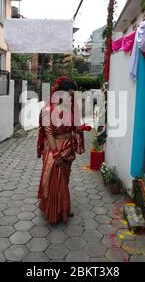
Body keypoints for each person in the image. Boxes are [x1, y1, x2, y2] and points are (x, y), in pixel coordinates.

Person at [37, 76, 92, 224]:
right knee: (52, 180)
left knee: (64, 180)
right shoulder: (48, 110)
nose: (70, 98)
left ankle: (64, 208)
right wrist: (56, 154)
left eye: (72, 95)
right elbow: (48, 134)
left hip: (68, 149)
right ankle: (54, 212)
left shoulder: (69, 109)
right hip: (54, 148)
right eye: (69, 94)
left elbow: (73, 127)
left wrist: (83, 127)